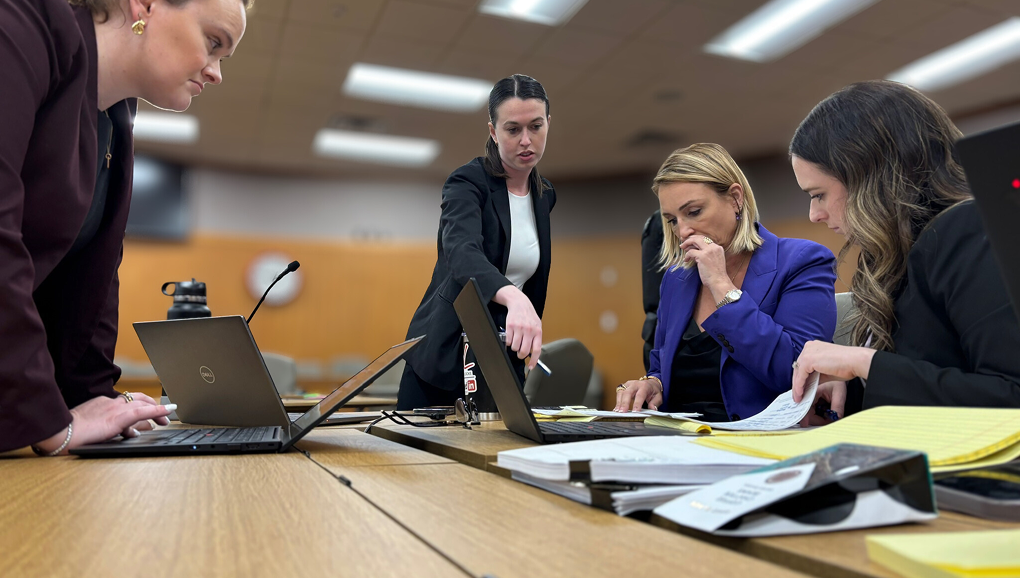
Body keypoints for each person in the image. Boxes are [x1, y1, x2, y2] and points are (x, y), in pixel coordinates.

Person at [0, 0, 248, 455]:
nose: (216, 72)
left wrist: (92, 397)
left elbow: (91, 278)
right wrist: (49, 421)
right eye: (213, 43)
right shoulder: (19, 26)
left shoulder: (113, 117)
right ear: (145, 4)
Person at [790, 80, 1020, 419]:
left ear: (869, 175)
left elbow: (1010, 395)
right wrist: (854, 389)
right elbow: (930, 371)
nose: (814, 215)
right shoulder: (894, 253)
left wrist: (865, 363)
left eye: (818, 195)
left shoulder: (965, 231)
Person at [615, 143, 836, 420]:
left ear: (735, 199)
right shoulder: (676, 278)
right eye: (671, 220)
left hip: (756, 442)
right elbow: (660, 364)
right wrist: (652, 384)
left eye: (693, 212)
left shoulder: (803, 261)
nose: (682, 231)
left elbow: (794, 374)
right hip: (677, 439)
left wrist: (722, 285)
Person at [397, 74, 555, 410]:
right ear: (493, 132)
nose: (526, 140)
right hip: (443, 355)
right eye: (513, 129)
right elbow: (460, 252)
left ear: (548, 125)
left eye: (535, 126)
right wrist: (512, 295)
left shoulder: (545, 196)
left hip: (500, 361)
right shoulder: (468, 181)